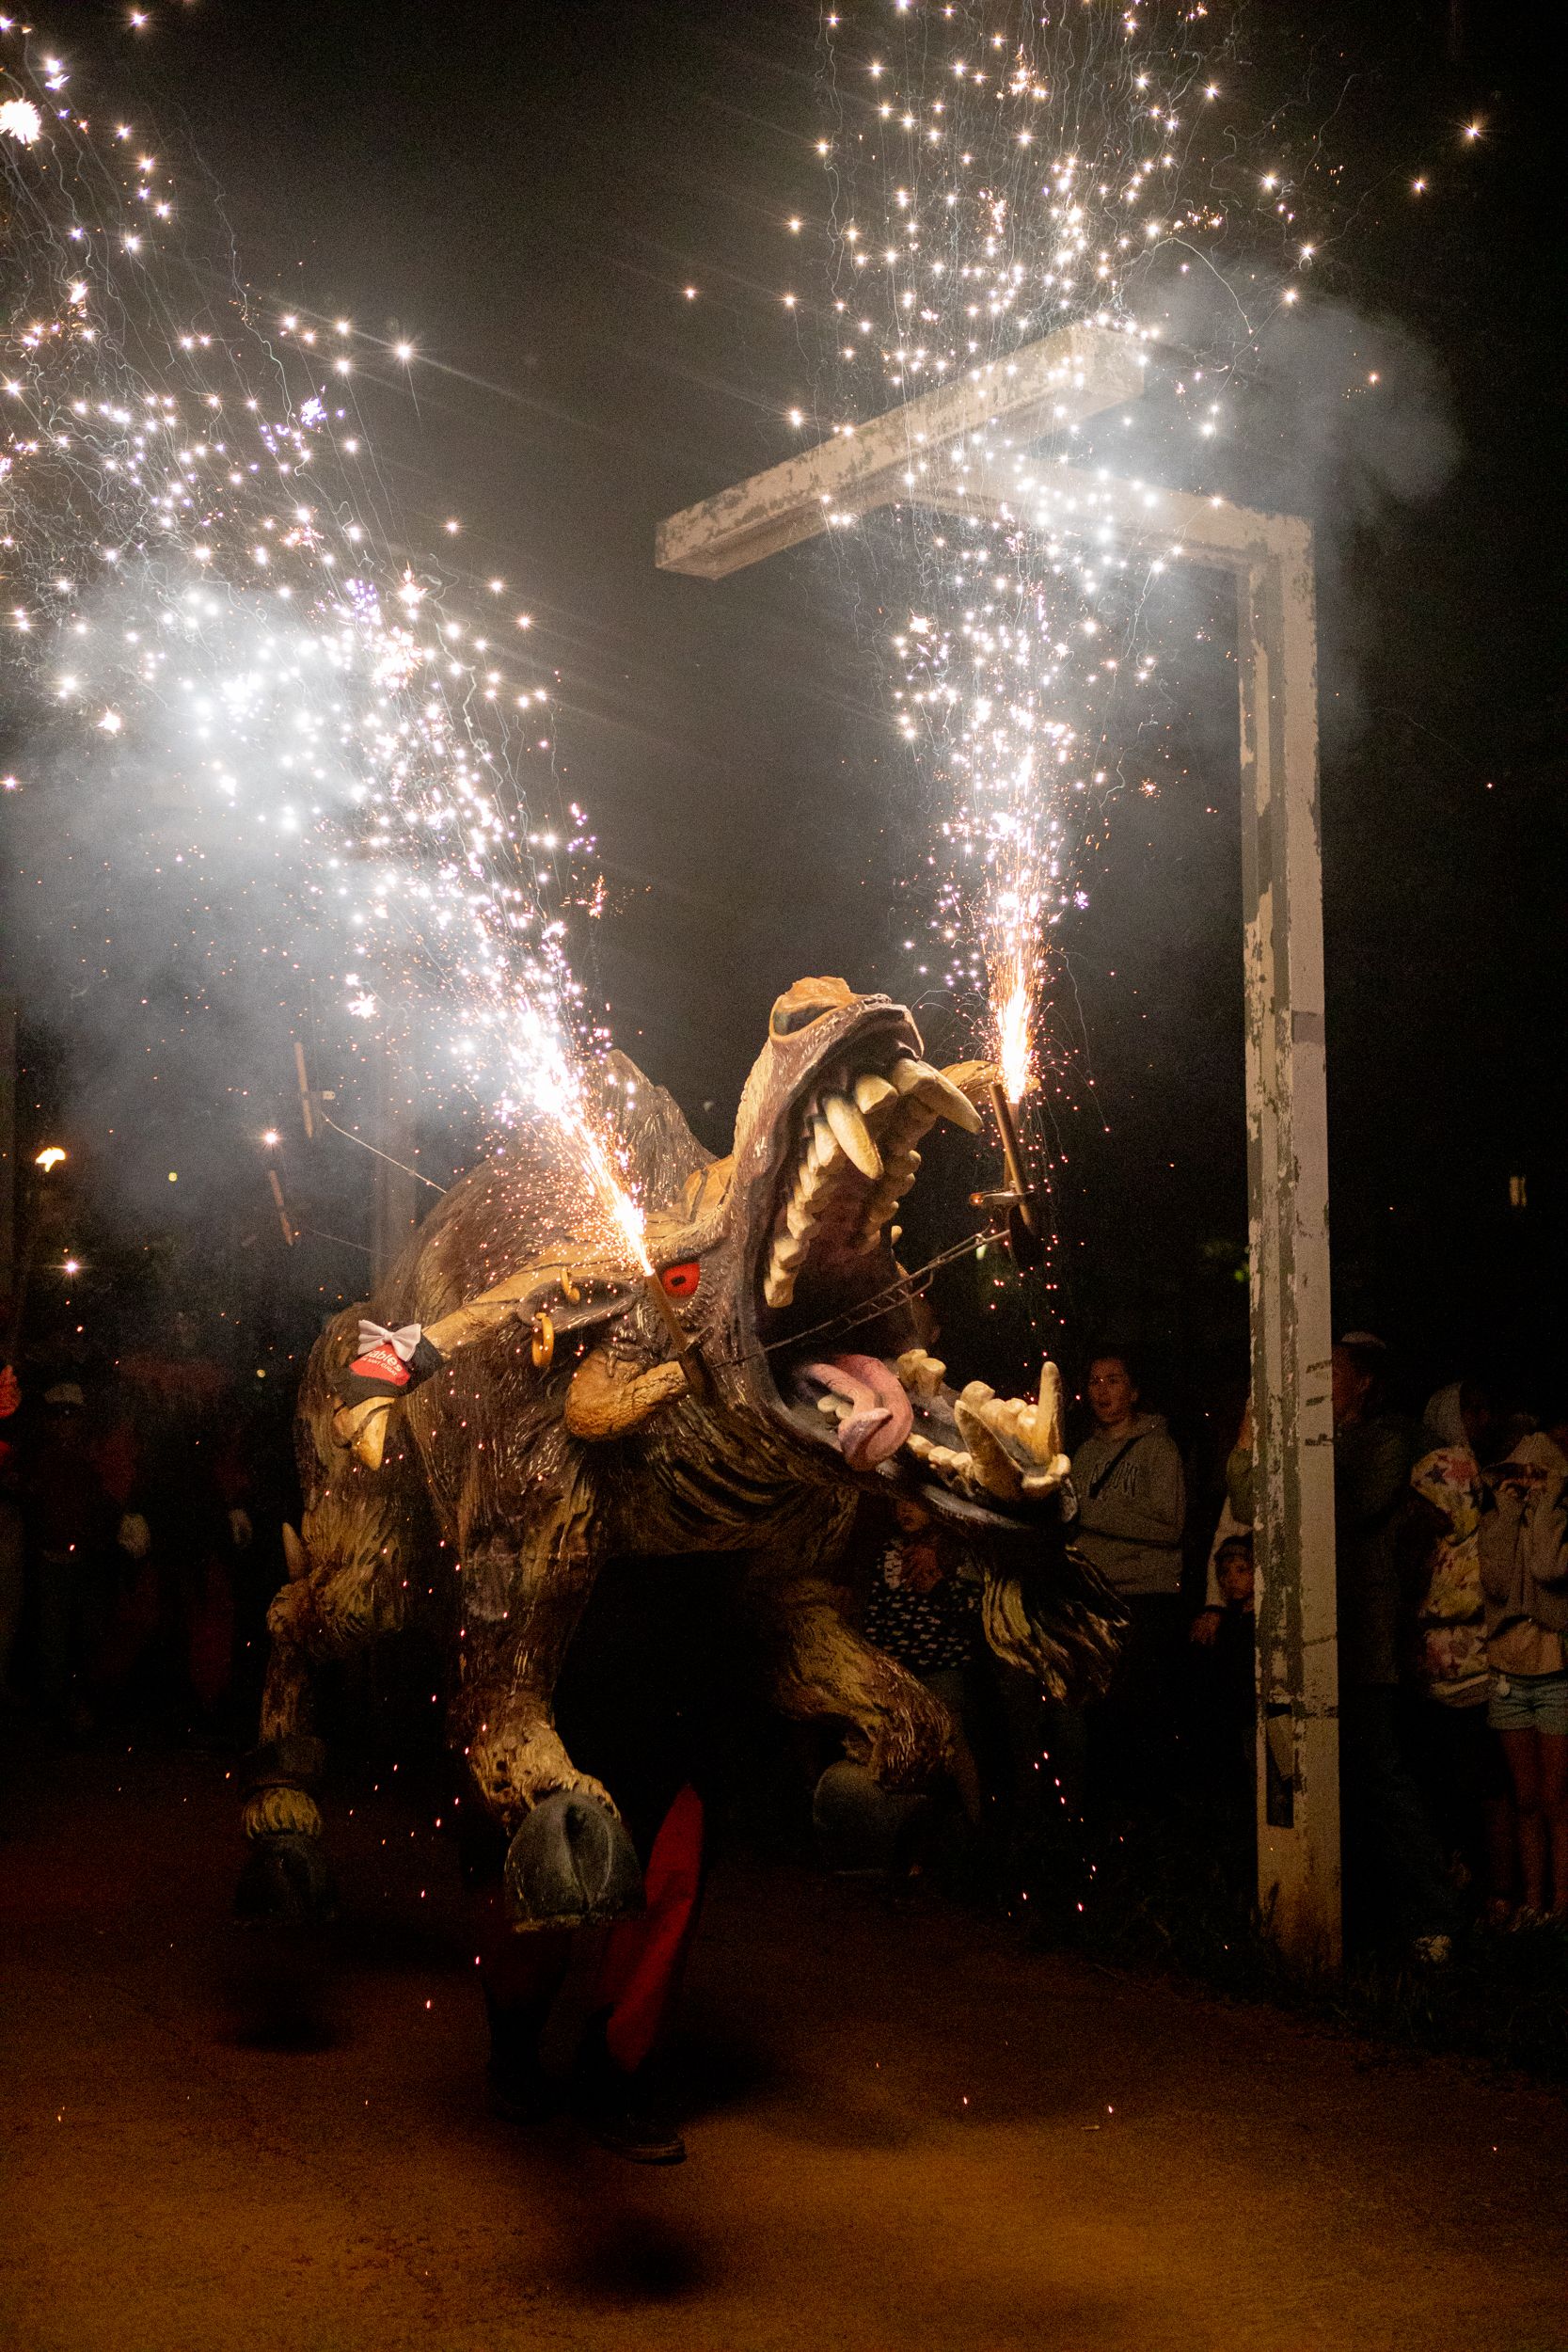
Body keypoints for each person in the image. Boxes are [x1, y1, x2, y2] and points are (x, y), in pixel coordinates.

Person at [1332, 1334, 1456, 1959]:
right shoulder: (1325, 1444)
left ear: (1363, 1383)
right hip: (1320, 1636)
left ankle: (1432, 1914)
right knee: (1343, 1779)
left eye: (1331, 1370)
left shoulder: (1382, 1441)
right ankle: (1362, 1912)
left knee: (1381, 1773)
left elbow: (1346, 1509)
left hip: (1366, 1637)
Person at [1404, 1382, 1514, 1923]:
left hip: (1477, 1669)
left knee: (1486, 1782)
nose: (1481, 1417)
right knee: (1451, 1781)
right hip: (1437, 1669)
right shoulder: (1440, 1486)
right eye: (1469, 1407)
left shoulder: (1484, 1498)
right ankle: (1463, 1882)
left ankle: (1494, 1888)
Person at [1069, 1349, 1186, 1800]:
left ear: (1133, 1392)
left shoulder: (1160, 1448)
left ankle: (1147, 1817)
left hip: (1144, 1599)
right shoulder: (1084, 1451)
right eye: (1095, 1381)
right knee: (1098, 1713)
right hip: (1093, 1598)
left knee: (1138, 1711)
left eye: (1113, 1380)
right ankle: (1105, 1820)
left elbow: (1169, 1527)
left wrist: (1093, 1513)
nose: (1102, 1390)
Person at [1478, 1431, 1568, 1923]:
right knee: (1527, 1798)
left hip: (1556, 1676)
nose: (1528, 1484)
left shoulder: (1561, 1524)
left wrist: (1549, 1506)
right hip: (1509, 1677)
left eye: (1540, 1474)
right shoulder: (1499, 1522)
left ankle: (1561, 1908)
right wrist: (1510, 1515)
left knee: (1557, 1798)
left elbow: (1549, 1568)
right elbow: (1494, 1580)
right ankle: (1533, 1905)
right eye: (1520, 1474)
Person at [861, 1495, 985, 1826]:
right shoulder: (889, 1551)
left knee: (953, 1742)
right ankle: (907, 1829)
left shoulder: (956, 1553)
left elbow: (975, 1610)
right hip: (899, 1670)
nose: (904, 1509)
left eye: (913, 1502)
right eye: (898, 1502)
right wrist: (875, 1657)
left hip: (942, 1667)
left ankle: (978, 1825)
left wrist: (940, 1589)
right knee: (903, 1748)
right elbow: (877, 1608)